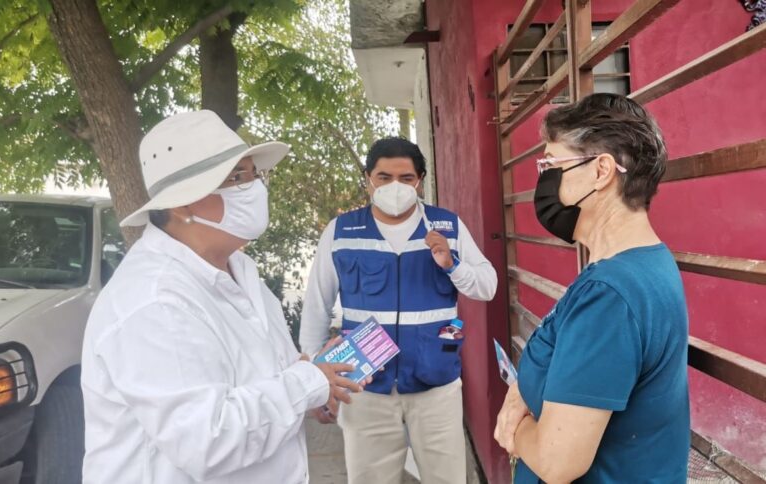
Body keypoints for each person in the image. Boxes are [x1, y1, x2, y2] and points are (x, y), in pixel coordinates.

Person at [81, 110, 366, 484]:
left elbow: (266, 374)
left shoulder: (240, 270)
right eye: (236, 178)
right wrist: (307, 383)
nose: (255, 189)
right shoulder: (154, 302)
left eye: (254, 175)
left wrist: (316, 382)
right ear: (182, 204)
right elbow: (207, 441)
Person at [494, 93, 690, 483]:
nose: (543, 180)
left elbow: (557, 461)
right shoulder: (640, 265)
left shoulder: (610, 295)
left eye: (551, 165)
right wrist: (522, 391)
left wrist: (514, 429)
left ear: (601, 171)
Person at [299, 137, 498, 483]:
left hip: (435, 386)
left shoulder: (447, 227)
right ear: (368, 179)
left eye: (405, 178)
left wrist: (452, 264)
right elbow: (317, 306)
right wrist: (315, 378)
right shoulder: (341, 232)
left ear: (420, 180)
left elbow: (487, 286)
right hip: (365, 389)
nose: (395, 186)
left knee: (447, 478)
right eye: (384, 177)